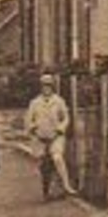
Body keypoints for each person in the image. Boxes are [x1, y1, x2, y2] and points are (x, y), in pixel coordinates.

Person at [27, 72, 77, 200]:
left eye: (49, 85)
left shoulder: (59, 101)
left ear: (52, 87)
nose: (46, 88)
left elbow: (66, 117)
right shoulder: (34, 102)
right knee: (44, 165)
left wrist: (60, 129)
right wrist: (34, 129)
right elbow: (28, 120)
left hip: (56, 136)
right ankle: (47, 191)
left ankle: (66, 185)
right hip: (40, 138)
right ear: (40, 87)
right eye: (44, 86)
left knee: (57, 158)